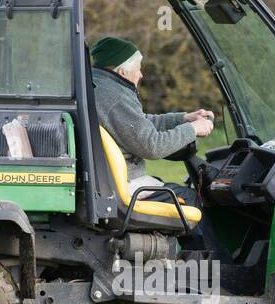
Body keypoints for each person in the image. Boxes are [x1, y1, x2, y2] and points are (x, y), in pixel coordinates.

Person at [89, 36, 214, 201]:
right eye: (138, 69)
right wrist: (193, 129)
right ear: (122, 71)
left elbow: (137, 121)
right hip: (125, 186)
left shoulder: (98, 85)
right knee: (191, 199)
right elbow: (152, 146)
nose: (141, 75)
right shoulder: (116, 97)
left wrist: (183, 118)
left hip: (110, 181)